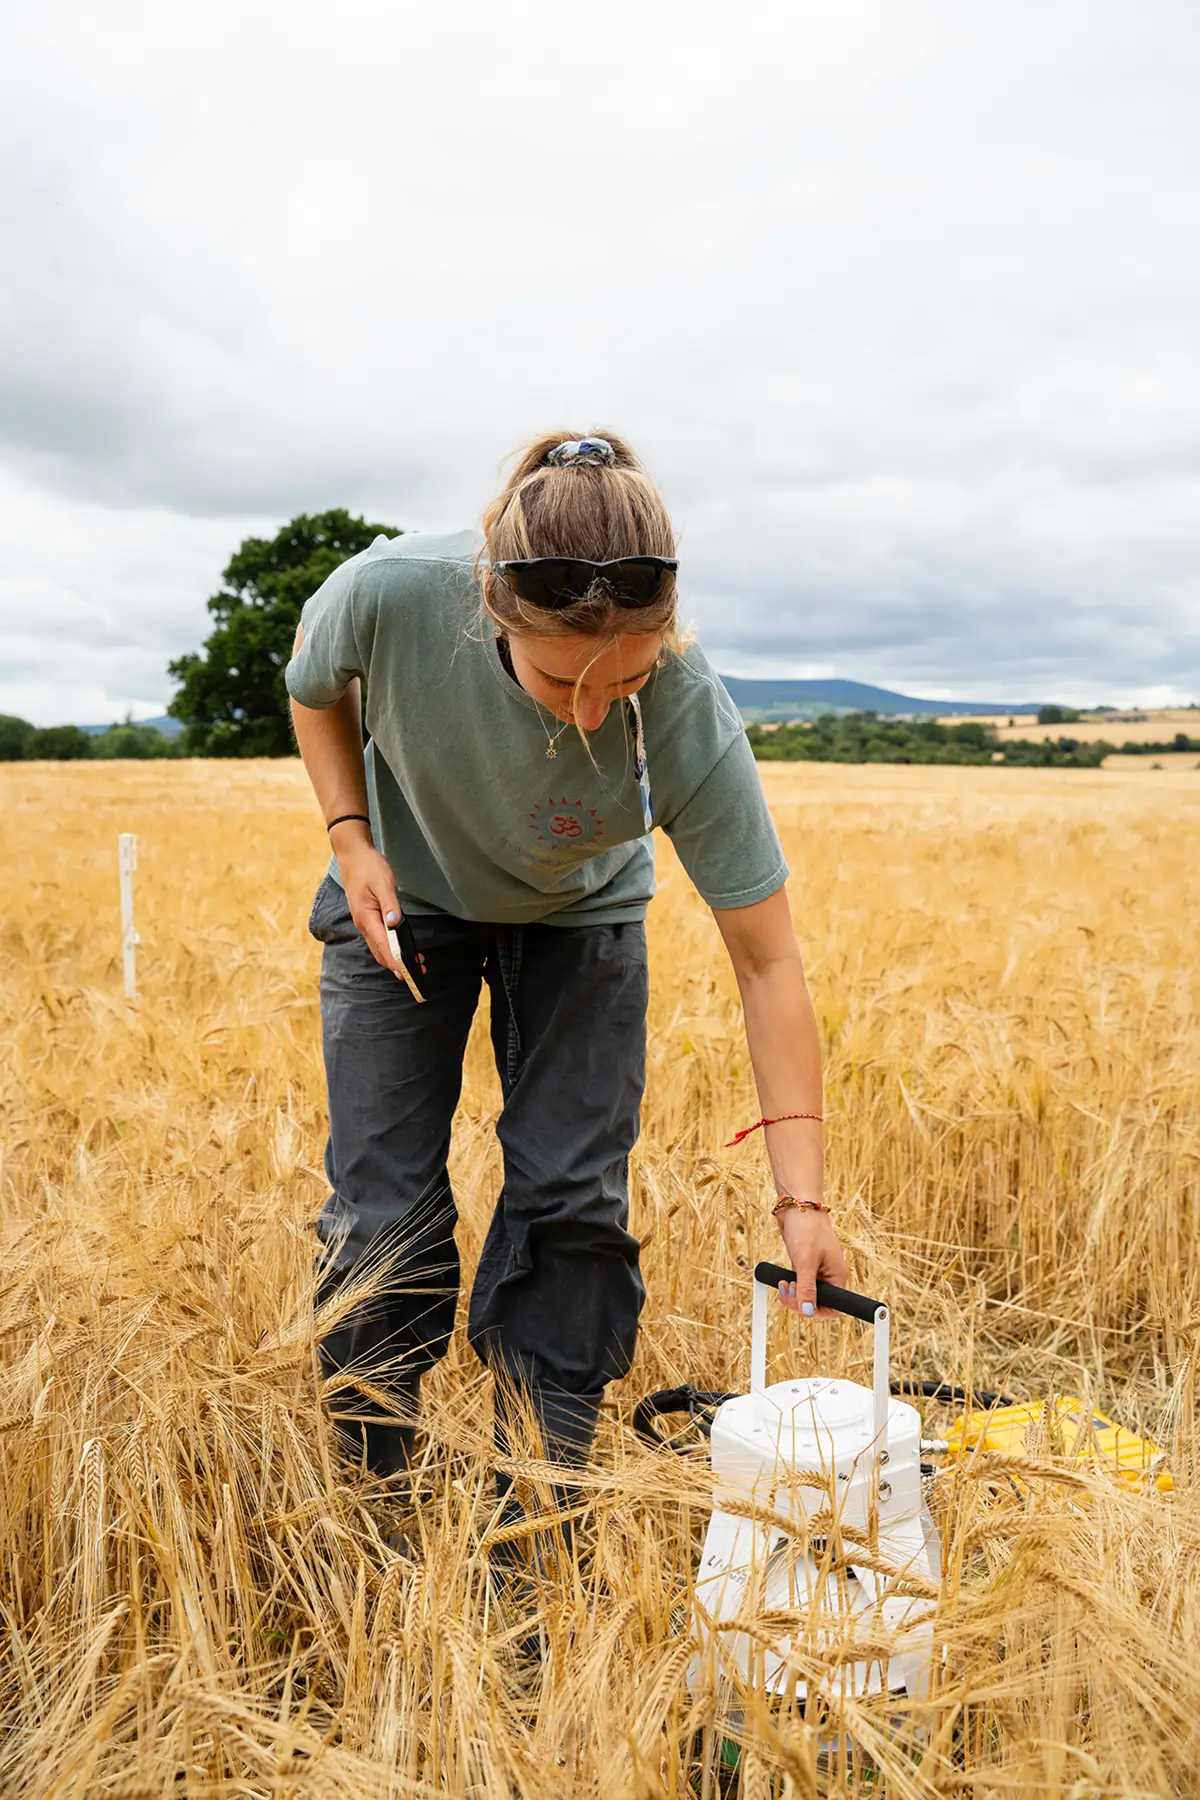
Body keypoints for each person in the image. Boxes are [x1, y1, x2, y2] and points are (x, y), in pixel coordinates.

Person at [286, 430, 849, 1503]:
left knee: (573, 1202)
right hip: (407, 899)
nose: (596, 714)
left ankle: (540, 1490)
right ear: (493, 613)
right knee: (382, 1208)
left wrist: (804, 1206)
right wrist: (352, 836)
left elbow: (770, 965)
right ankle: (377, 1493)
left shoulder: (687, 709)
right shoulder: (390, 591)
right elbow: (316, 690)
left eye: (626, 681)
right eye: (561, 680)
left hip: (581, 919)